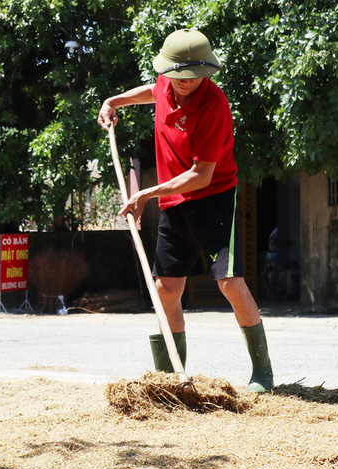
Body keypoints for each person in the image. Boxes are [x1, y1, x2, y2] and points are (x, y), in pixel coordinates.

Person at [97, 28, 274, 393]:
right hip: (174, 204)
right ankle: (170, 377)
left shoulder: (214, 106)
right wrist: (114, 101)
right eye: (175, 76)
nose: (181, 84)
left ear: (205, 72)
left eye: (190, 78)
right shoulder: (167, 83)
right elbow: (152, 91)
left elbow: (200, 175)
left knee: (229, 283)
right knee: (165, 288)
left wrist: (145, 193)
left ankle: (262, 373)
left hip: (212, 199)